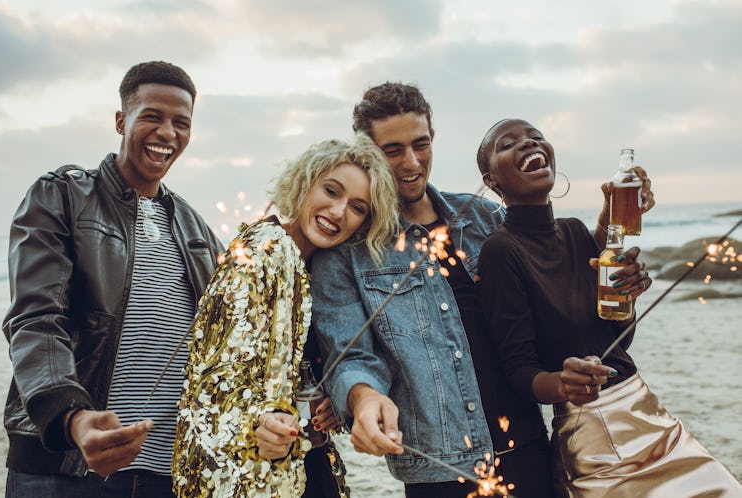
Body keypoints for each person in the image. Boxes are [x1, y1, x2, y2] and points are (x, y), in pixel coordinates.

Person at [309, 82, 655, 498]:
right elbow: (351, 356)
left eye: (421, 144)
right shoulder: (345, 255)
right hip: (438, 471)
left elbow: (556, 302)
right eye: (393, 150)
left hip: (528, 448)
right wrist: (362, 398)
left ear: (433, 138)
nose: (412, 163)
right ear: (367, 151)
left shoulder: (486, 217)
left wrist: (609, 254)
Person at [475, 118, 742, 498]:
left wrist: (628, 299)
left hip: (649, 414)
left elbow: (618, 338)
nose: (527, 144)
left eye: (536, 137)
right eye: (507, 144)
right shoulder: (500, 251)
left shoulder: (574, 231)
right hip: (594, 440)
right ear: (491, 180)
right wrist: (562, 384)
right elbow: (519, 370)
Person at [1, 61, 222, 497]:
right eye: (152, 117)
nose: (167, 134)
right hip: (66, 466)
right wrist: (73, 417)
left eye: (182, 123)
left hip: (167, 473)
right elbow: (36, 320)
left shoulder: (196, 228)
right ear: (121, 121)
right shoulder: (62, 194)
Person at [172, 134, 400, 498]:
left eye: (358, 208)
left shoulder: (319, 268)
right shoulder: (265, 251)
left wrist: (330, 402)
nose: (339, 212)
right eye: (331, 191)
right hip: (255, 473)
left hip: (303, 459)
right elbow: (215, 377)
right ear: (305, 183)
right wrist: (260, 423)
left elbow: (291, 367)